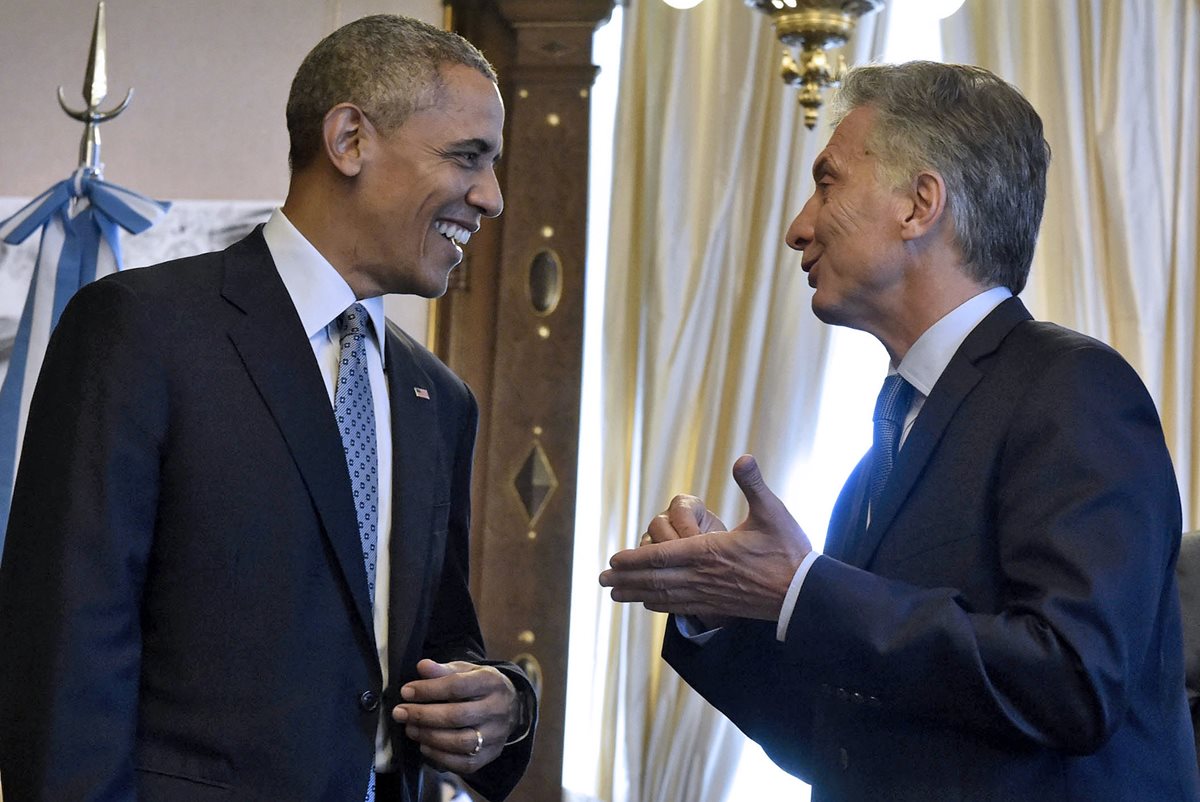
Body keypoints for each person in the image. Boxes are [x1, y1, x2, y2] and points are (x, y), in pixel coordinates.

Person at [600, 61, 1199, 800]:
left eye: (827, 183)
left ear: (920, 205)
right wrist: (731, 610)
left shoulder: (1073, 386)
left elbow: (1075, 681)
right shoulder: (880, 458)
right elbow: (841, 747)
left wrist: (803, 588)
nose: (798, 228)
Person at [0, 15, 535, 801]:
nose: (490, 197)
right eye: (467, 158)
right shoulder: (142, 330)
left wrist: (503, 702)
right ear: (350, 139)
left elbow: (433, 642)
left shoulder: (439, 399)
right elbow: (63, 655)